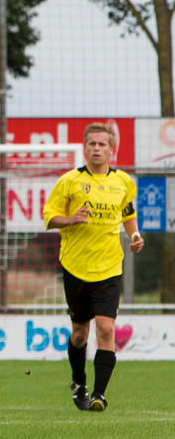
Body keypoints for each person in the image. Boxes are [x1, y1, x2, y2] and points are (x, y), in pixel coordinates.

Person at [42, 122, 143, 412]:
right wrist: (71, 219)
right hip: (76, 266)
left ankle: (99, 395)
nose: (97, 148)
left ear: (112, 149)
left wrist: (135, 235)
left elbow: (127, 213)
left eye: (102, 144)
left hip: (109, 266)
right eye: (92, 144)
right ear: (84, 148)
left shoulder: (123, 181)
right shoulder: (69, 181)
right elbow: (49, 217)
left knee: (106, 329)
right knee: (80, 334)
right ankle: (79, 382)